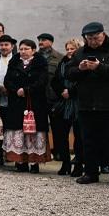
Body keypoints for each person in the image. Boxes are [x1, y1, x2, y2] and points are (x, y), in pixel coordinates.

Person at [66, 22, 109, 188]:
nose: (93, 41)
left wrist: (99, 67)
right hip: (86, 104)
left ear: (103, 34)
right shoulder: (80, 52)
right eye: (89, 38)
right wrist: (80, 69)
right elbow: (69, 73)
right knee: (89, 140)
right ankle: (91, 173)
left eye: (96, 38)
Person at [3, 39, 51, 173]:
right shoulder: (14, 62)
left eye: (26, 49)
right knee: (18, 132)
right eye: (21, 49)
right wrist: (16, 89)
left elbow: (42, 81)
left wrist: (27, 90)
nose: (23, 52)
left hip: (35, 103)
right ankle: (21, 162)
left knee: (33, 133)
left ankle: (34, 163)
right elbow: (8, 80)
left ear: (33, 50)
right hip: (17, 103)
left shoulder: (40, 63)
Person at [51, 38, 85, 176]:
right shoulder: (62, 63)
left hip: (78, 103)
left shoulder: (83, 63)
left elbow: (84, 82)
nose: (70, 51)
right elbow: (55, 81)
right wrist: (62, 91)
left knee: (79, 136)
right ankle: (65, 163)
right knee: (60, 134)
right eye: (68, 49)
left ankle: (78, 165)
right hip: (63, 103)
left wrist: (71, 92)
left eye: (73, 49)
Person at [37, 33, 65, 161]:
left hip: (54, 98)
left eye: (44, 40)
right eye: (39, 40)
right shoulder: (35, 56)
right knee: (40, 127)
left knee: (57, 127)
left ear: (51, 42)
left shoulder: (59, 57)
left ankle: (58, 151)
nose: (41, 42)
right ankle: (42, 151)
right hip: (39, 97)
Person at [0, 34, 17, 167]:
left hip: (14, 98)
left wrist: (10, 89)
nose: (4, 47)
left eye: (6, 45)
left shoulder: (17, 59)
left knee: (12, 127)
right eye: (1, 45)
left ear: (12, 46)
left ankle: (12, 154)